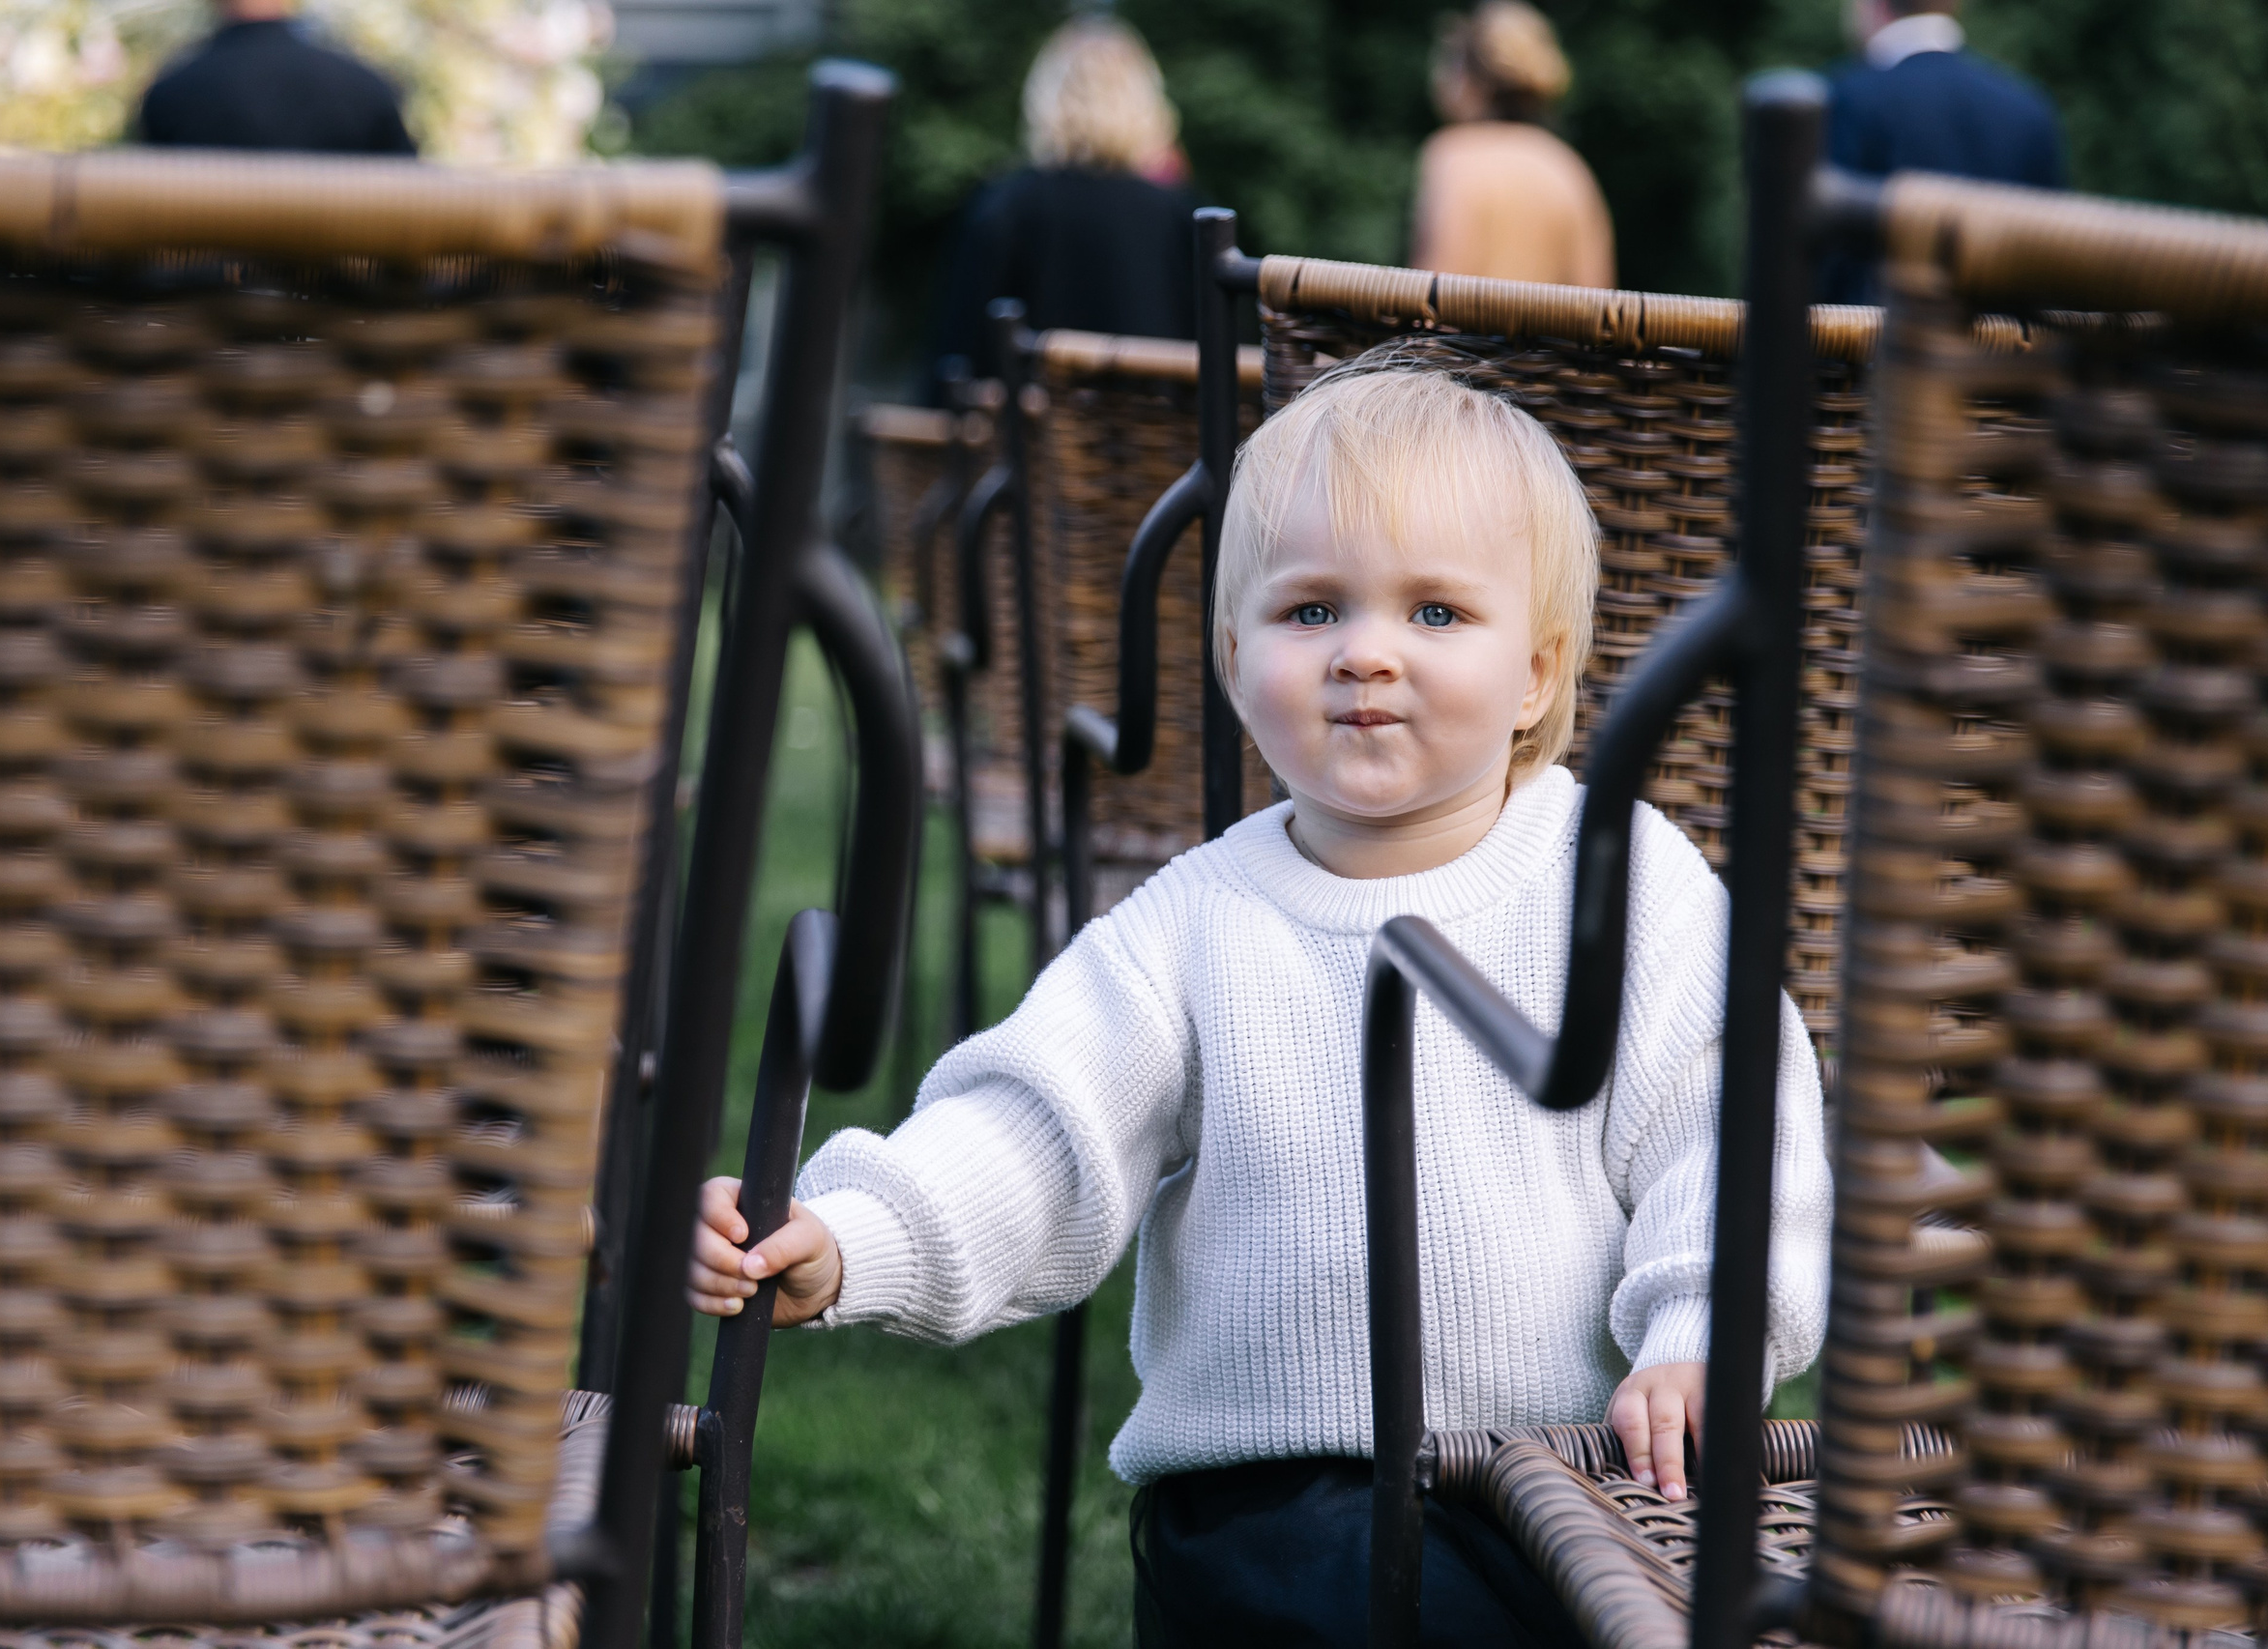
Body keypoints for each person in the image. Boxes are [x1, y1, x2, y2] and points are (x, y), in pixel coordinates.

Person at [688, 341, 1832, 1646]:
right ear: (1234, 660)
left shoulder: (1626, 881)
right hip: (1262, 1505)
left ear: (1537, 672)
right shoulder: (1195, 920)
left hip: (1573, 1478)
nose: (1367, 654)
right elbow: (1038, 1123)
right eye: (1311, 611)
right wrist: (852, 1235)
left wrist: (1701, 1332)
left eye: (1437, 613)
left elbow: (1728, 1121)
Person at [922, 16, 1197, 387]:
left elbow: (954, 365)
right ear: (1148, 102)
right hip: (1163, 442)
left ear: (1044, 98)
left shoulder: (1003, 206)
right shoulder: (1186, 219)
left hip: (1025, 441)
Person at [1820, 0, 2065, 302]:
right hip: (2001, 346)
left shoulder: (1842, 100)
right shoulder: (2029, 109)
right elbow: (2051, 265)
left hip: (1875, 344)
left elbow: (1815, 266)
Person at [1410, 2, 1614, 288]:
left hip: (1463, 335)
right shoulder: (1570, 169)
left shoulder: (1453, 154)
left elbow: (1434, 291)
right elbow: (1598, 306)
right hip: (1550, 335)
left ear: (1469, 79)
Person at [134, 0, 417, 157]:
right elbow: (413, 202)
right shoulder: (364, 87)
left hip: (208, 261)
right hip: (333, 262)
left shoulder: (170, 94)